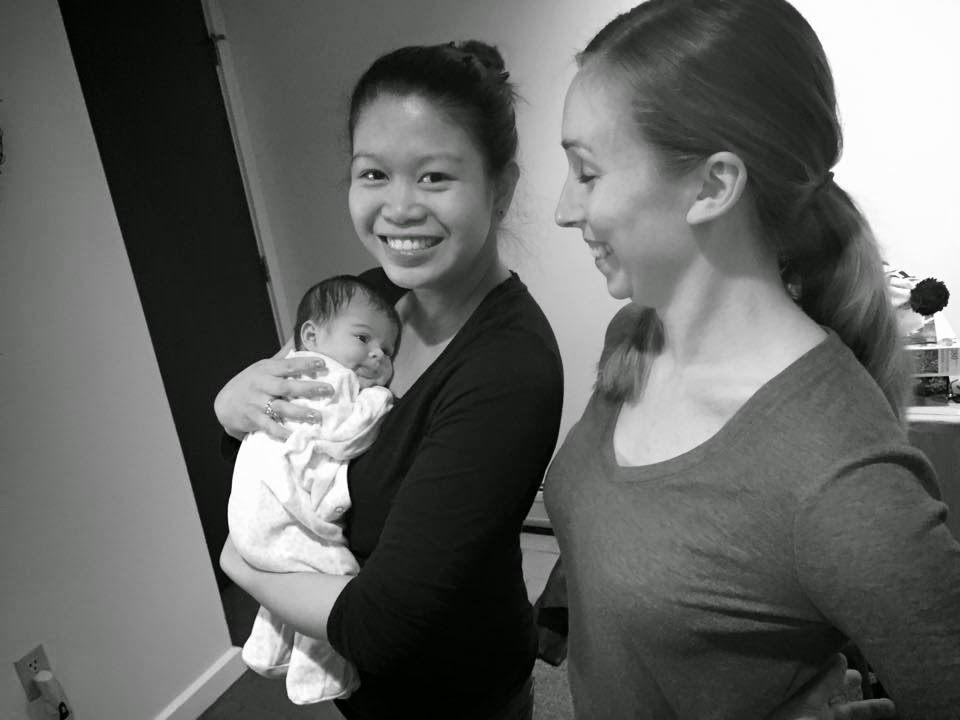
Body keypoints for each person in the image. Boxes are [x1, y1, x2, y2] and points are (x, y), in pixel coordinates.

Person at [540, 0, 960, 718]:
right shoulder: (635, 337)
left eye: (587, 171)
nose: (563, 208)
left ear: (713, 185)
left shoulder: (839, 474)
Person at [216, 40, 564, 719]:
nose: (398, 207)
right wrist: (230, 405)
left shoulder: (509, 368)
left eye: (434, 177)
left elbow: (379, 625)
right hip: (360, 685)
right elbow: (272, 435)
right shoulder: (367, 299)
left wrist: (240, 564)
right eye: (373, 173)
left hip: (453, 694)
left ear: (501, 189)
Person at [227, 275, 398, 704]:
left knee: (288, 582)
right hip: (278, 510)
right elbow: (343, 435)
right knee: (333, 576)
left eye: (387, 350)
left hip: (251, 511)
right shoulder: (324, 375)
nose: (377, 354)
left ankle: (264, 650)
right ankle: (318, 678)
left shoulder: (287, 371)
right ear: (311, 335)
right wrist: (377, 400)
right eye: (363, 338)